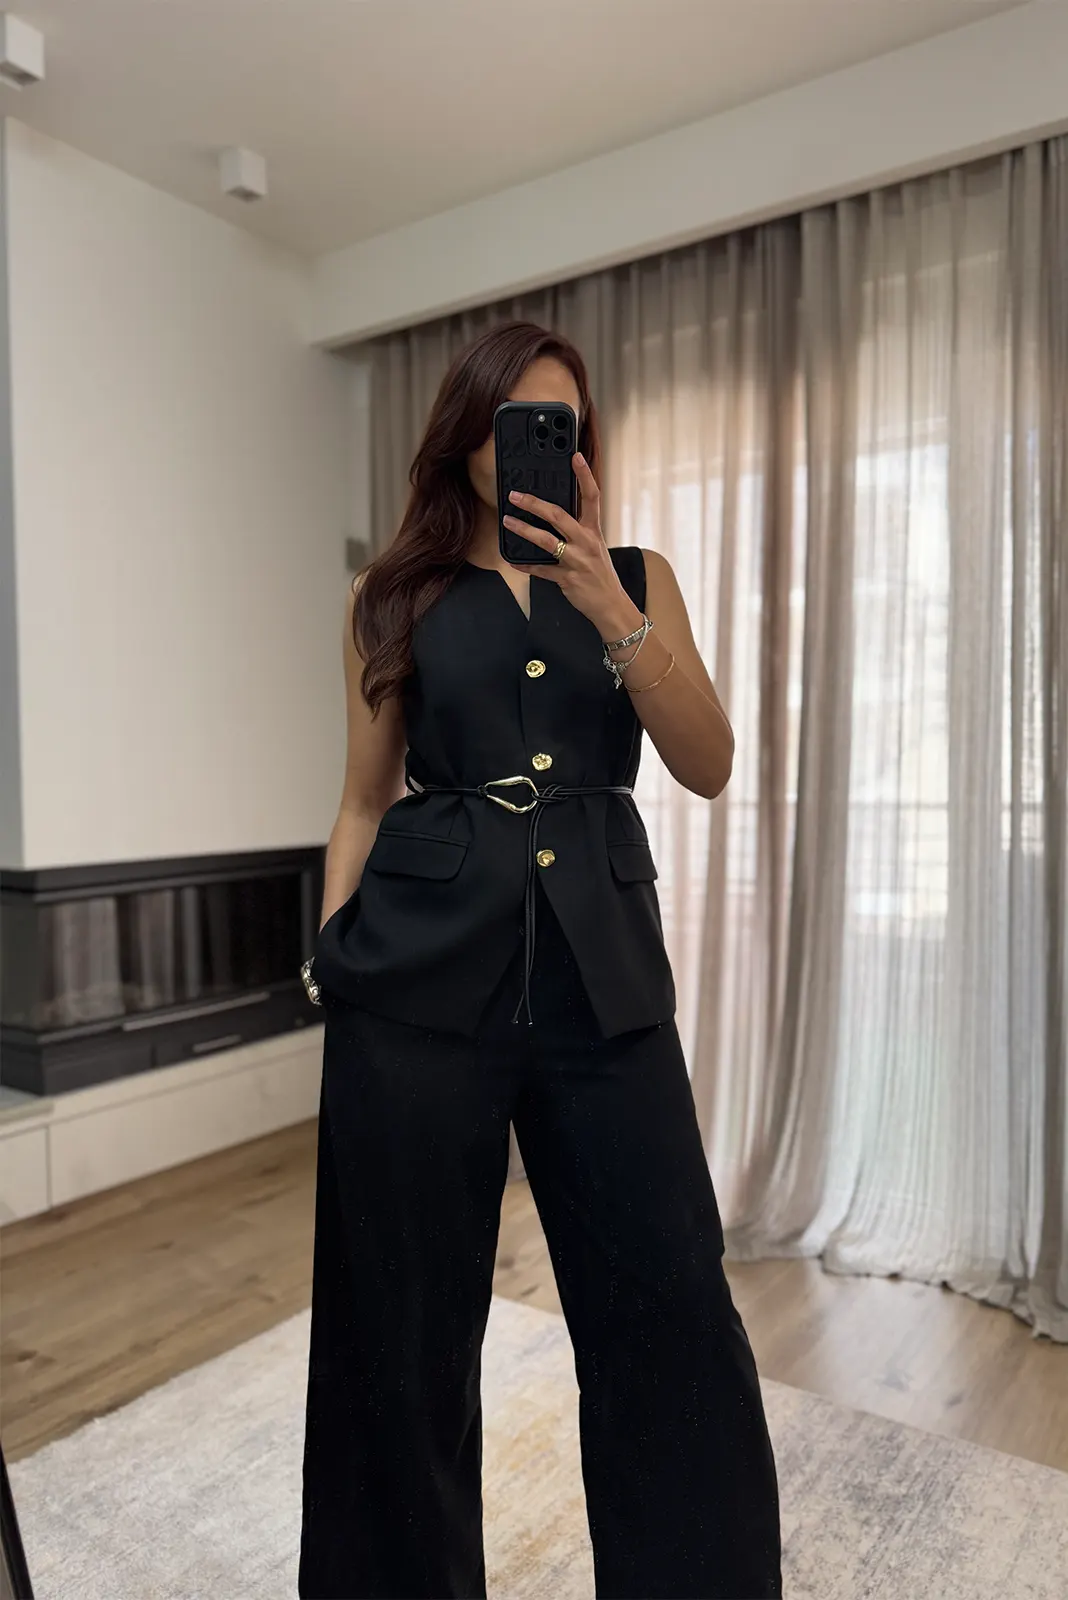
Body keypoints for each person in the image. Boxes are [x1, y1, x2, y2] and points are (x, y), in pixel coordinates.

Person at [297, 321, 782, 1600]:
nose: (536, 442)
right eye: (514, 418)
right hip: (410, 986)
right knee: (398, 1334)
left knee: (672, 1309)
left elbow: (709, 761)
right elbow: (361, 799)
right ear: (466, 434)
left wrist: (610, 610)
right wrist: (331, 966)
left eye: (559, 422)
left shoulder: (637, 576)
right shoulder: (388, 596)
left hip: (605, 984)